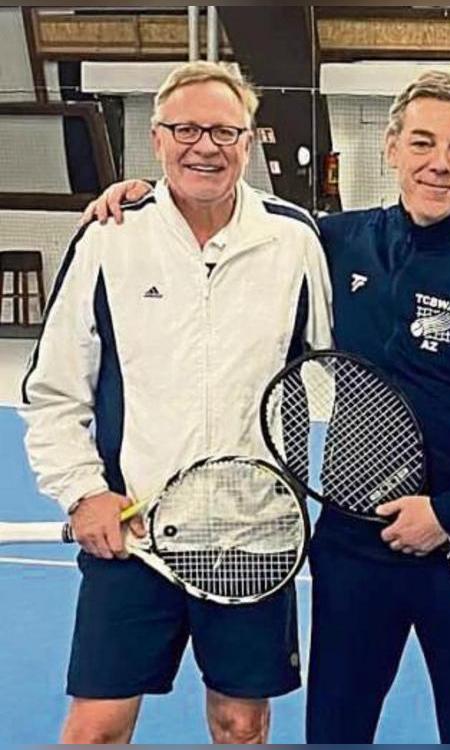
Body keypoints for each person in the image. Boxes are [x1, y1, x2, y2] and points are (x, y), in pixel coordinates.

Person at [86, 69, 450, 743]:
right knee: (336, 732)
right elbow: (233, 211)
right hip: (353, 549)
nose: (440, 163)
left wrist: (445, 513)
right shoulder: (330, 242)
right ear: (392, 147)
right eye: (423, 142)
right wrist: (144, 197)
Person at [22, 61, 332, 744]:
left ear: (248, 143)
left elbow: (337, 367)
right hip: (134, 538)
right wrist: (82, 494)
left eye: (225, 131)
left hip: (253, 540)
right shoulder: (110, 236)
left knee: (240, 722)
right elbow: (54, 391)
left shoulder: (295, 240)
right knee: (95, 728)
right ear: (157, 140)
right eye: (186, 128)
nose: (206, 146)